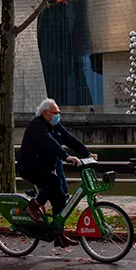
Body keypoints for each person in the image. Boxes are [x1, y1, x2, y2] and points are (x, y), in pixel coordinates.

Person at [16, 99, 93, 247]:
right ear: (46, 113)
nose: (58, 116)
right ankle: (33, 207)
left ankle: (59, 235)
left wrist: (87, 153)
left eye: (58, 113)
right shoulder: (37, 126)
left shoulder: (55, 126)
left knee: (60, 198)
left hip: (44, 168)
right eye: (55, 113)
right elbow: (50, 143)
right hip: (30, 167)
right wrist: (66, 156)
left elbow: (69, 139)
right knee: (54, 181)